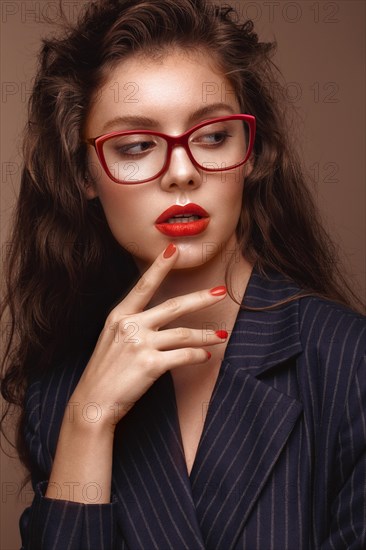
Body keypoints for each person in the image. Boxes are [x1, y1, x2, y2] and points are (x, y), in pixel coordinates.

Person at [1, 0, 365, 548]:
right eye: (136, 146)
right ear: (85, 176)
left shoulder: (346, 363)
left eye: (214, 136)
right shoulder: (62, 398)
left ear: (252, 151)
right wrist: (87, 425)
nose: (181, 171)